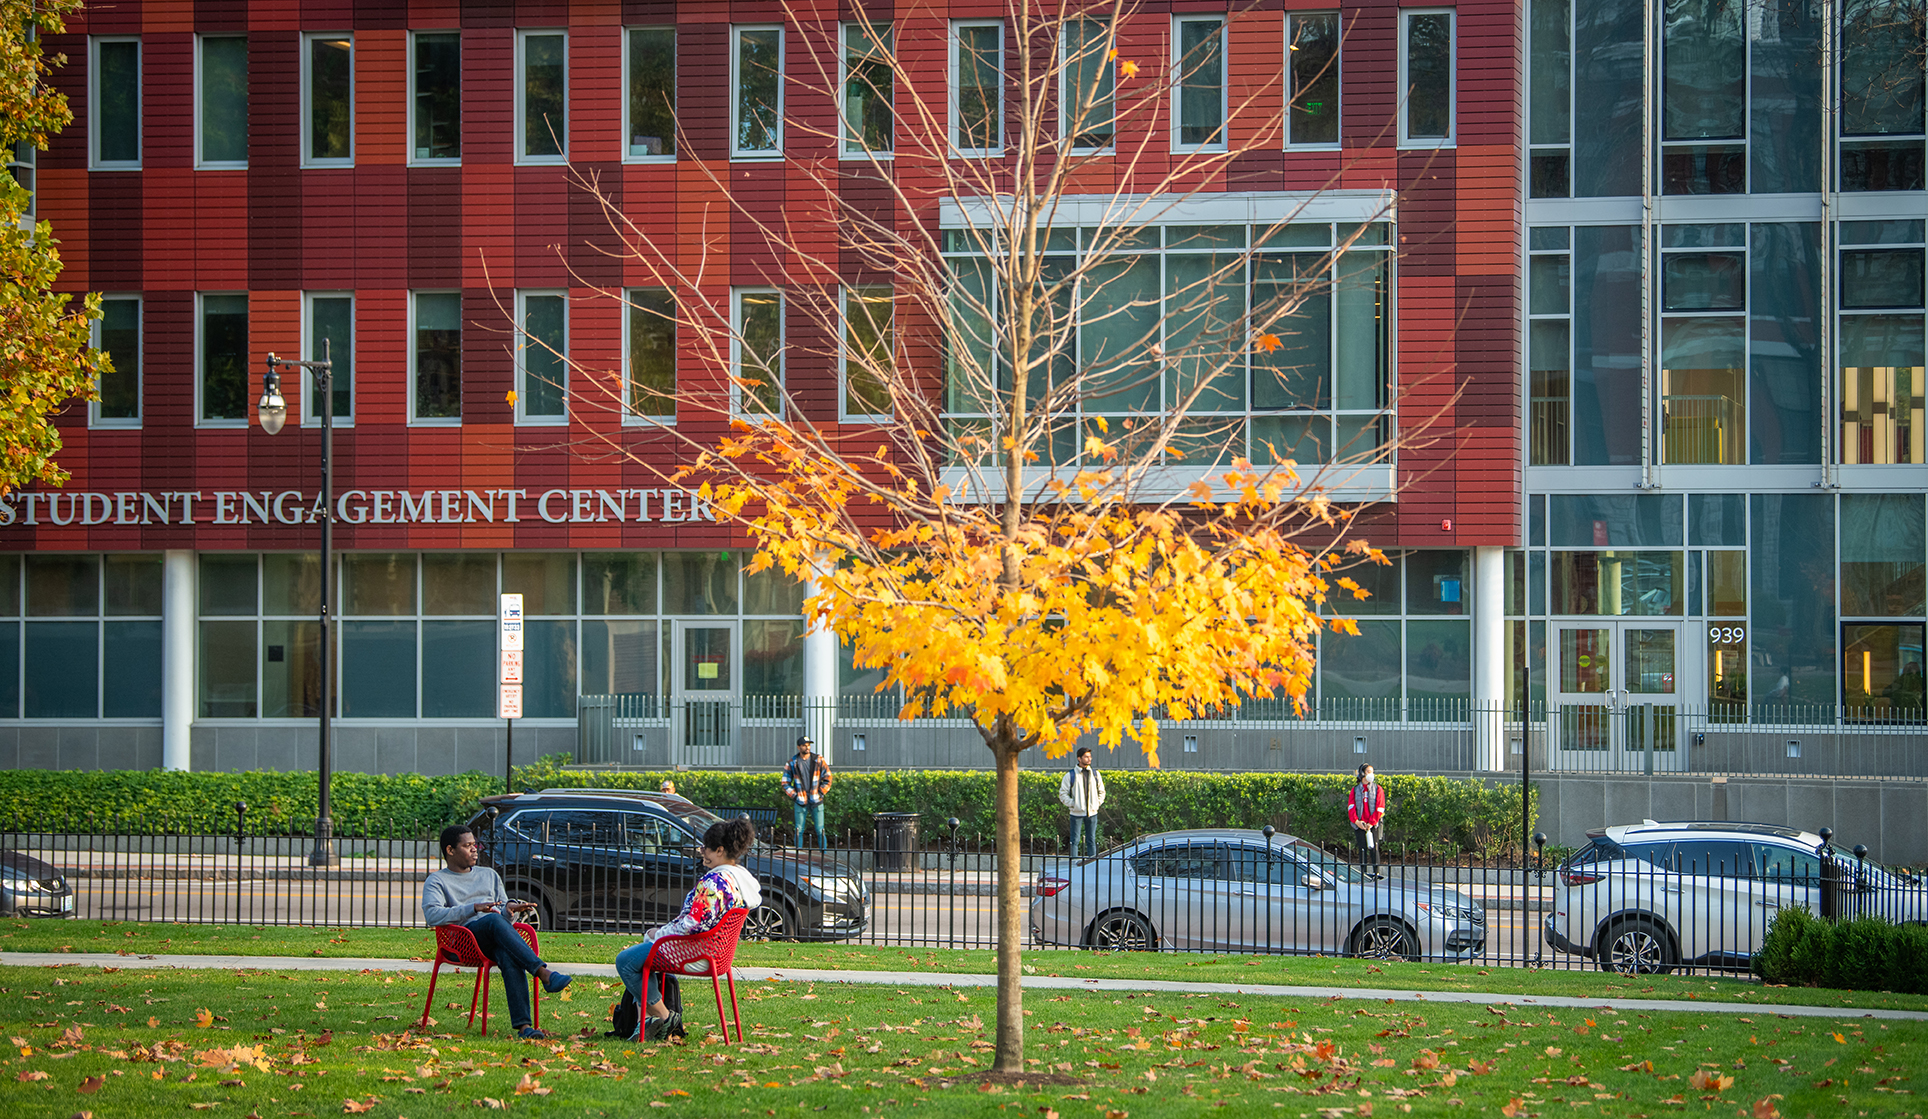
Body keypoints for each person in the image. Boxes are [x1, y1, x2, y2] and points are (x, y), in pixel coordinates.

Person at [615, 817, 762, 1041]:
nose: (702, 852)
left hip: (694, 953)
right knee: (643, 955)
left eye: (706, 848)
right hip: (718, 955)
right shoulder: (740, 881)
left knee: (626, 961)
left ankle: (663, 1017)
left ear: (720, 850)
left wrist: (660, 933)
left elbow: (692, 925)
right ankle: (647, 1023)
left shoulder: (713, 883)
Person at [421, 824, 573, 1040]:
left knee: (508, 955)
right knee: (491, 920)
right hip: (462, 942)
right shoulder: (437, 881)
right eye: (467, 846)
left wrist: (510, 911)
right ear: (450, 850)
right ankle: (542, 972)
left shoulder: (489, 875)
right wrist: (473, 908)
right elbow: (433, 915)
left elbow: (501, 911)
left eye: (475, 845)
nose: (475, 849)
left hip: (493, 937)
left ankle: (525, 1029)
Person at [781, 735, 832, 850]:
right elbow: (785, 782)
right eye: (804, 745)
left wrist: (820, 793)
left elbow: (828, 778)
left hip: (816, 800)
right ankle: (798, 856)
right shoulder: (792, 762)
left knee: (820, 830)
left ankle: (823, 856)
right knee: (799, 829)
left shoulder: (818, 760)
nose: (807, 747)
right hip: (800, 800)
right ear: (799, 747)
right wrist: (795, 796)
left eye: (808, 745)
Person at [1058, 747, 1107, 857]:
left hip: (1092, 812)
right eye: (1086, 757)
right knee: (1074, 841)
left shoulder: (1095, 774)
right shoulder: (1071, 775)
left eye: (1090, 756)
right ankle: (1074, 865)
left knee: (1092, 840)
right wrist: (1073, 804)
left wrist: (1096, 804)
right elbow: (1063, 793)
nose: (1089, 759)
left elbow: (1102, 791)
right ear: (1079, 758)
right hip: (1076, 813)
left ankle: (1092, 864)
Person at [1347, 764, 1387, 879]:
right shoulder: (1355, 790)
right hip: (1359, 825)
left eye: (1372, 772)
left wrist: (1371, 822)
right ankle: (1363, 873)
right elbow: (1351, 806)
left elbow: (1380, 807)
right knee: (1362, 849)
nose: (1371, 774)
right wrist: (1356, 821)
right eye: (1369, 771)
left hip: (1372, 825)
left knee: (1374, 848)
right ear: (1362, 773)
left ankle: (1376, 873)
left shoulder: (1378, 789)